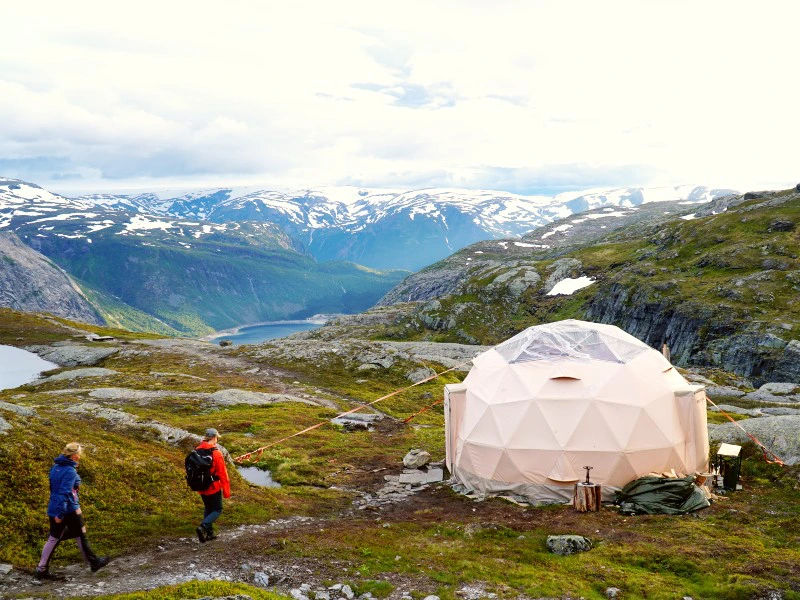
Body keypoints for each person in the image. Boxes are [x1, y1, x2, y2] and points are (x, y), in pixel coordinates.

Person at [34, 442, 110, 580]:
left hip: (54, 506)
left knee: (54, 537)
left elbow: (55, 489)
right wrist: (60, 513)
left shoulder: (56, 467)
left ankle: (41, 569)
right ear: (75, 455)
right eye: (79, 454)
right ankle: (93, 562)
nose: (80, 457)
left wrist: (57, 510)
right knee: (81, 534)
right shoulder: (70, 471)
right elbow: (65, 492)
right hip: (69, 509)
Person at [194, 428, 231, 543]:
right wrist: (226, 491)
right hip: (213, 486)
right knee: (217, 509)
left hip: (201, 486)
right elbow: (222, 473)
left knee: (208, 508)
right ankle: (203, 526)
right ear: (214, 437)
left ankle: (209, 534)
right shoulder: (216, 452)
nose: (217, 440)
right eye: (217, 438)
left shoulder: (197, 450)